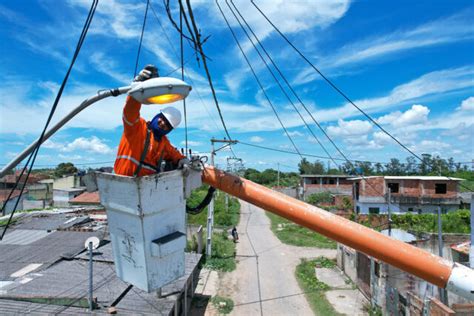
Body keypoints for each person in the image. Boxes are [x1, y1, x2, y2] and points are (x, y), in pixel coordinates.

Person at [114, 65, 189, 177]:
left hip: (148, 188)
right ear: (157, 116)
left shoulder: (163, 143)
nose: (163, 123)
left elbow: (174, 154)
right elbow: (130, 110)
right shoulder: (137, 127)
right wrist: (137, 88)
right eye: (162, 118)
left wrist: (182, 160)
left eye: (168, 125)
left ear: (169, 130)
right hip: (123, 182)